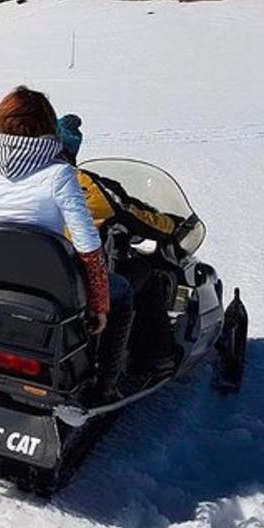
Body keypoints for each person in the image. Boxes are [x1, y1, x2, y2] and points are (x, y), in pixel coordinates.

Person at [0, 86, 133, 401]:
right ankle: (105, 385)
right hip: (51, 278)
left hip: (0, 268)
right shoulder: (59, 173)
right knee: (123, 291)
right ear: (47, 125)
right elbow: (88, 246)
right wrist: (100, 306)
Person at [57, 114, 179, 373]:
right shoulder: (86, 185)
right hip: (78, 282)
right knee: (145, 276)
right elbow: (134, 214)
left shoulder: (21, 181)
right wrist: (171, 224)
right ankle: (156, 358)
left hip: (34, 274)